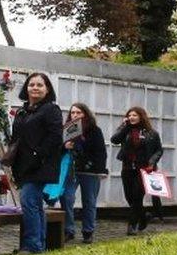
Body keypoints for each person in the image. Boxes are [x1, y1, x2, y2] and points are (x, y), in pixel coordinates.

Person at [7, 72, 63, 255]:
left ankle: (32, 245)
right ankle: (38, 244)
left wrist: (38, 154)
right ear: (26, 88)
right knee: (35, 205)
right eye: (32, 85)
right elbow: (16, 138)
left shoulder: (50, 109)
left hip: (40, 164)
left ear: (47, 89)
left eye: (40, 85)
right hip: (23, 165)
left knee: (28, 201)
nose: (35, 88)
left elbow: (55, 137)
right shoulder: (22, 111)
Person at [58, 103, 107, 244]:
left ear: (85, 114)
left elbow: (100, 151)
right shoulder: (66, 129)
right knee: (66, 197)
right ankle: (68, 230)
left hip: (90, 170)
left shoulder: (94, 130)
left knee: (89, 201)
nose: (75, 115)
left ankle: (88, 231)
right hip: (71, 169)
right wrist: (64, 146)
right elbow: (57, 148)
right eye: (72, 113)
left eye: (78, 112)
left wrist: (101, 170)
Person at [111, 106, 163, 235]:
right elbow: (114, 140)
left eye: (134, 115)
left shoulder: (151, 133)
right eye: (129, 115)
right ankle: (143, 217)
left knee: (137, 197)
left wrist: (152, 162)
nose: (131, 117)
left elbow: (159, 150)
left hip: (144, 169)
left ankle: (132, 225)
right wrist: (125, 127)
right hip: (128, 168)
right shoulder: (125, 130)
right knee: (129, 196)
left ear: (141, 116)